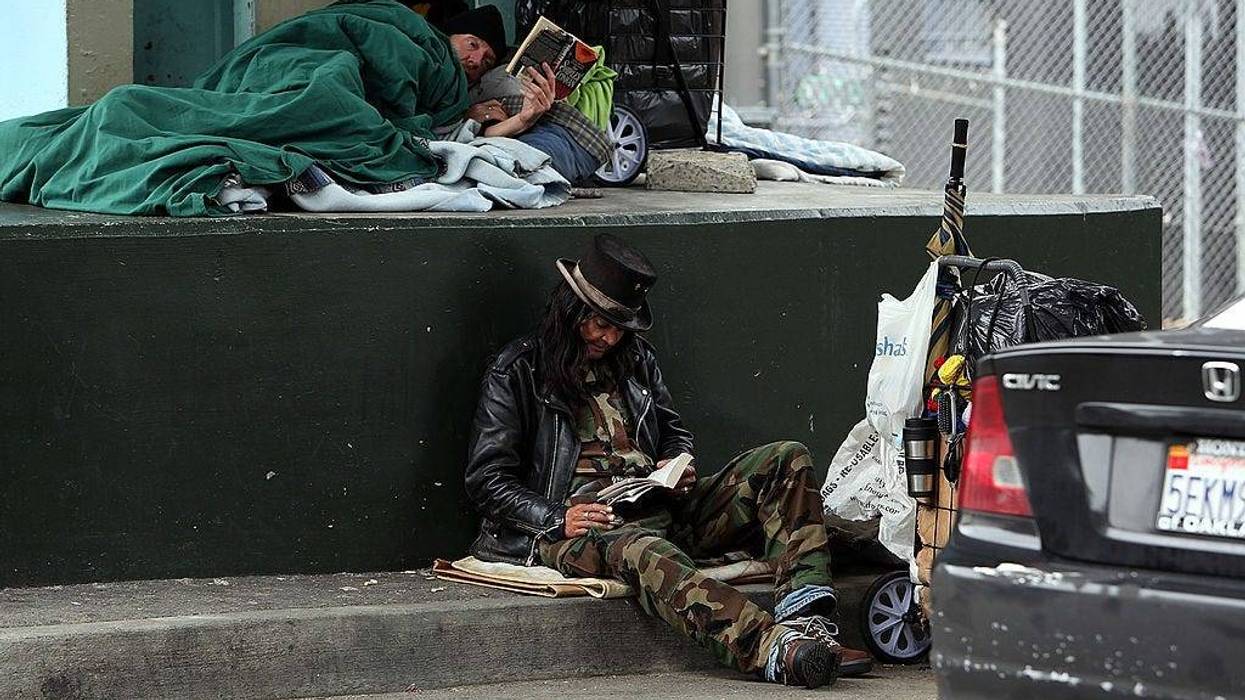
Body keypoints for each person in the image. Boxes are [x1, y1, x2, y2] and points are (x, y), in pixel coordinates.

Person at [463, 234, 875, 689]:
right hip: (582, 528)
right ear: (569, 310)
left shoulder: (635, 358)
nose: (609, 337)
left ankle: (808, 624)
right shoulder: (517, 370)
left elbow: (673, 430)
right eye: (599, 323)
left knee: (787, 459)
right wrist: (558, 516)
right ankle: (773, 649)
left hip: (656, 504)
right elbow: (486, 479)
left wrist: (676, 463)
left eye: (620, 327)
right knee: (644, 551)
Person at [434, 6, 608, 185]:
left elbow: (485, 133)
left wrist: (524, 119)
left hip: (563, 137)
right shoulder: (429, 59)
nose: (476, 61)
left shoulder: (476, 90)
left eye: (487, 61)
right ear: (448, 36)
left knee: (527, 160)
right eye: (472, 44)